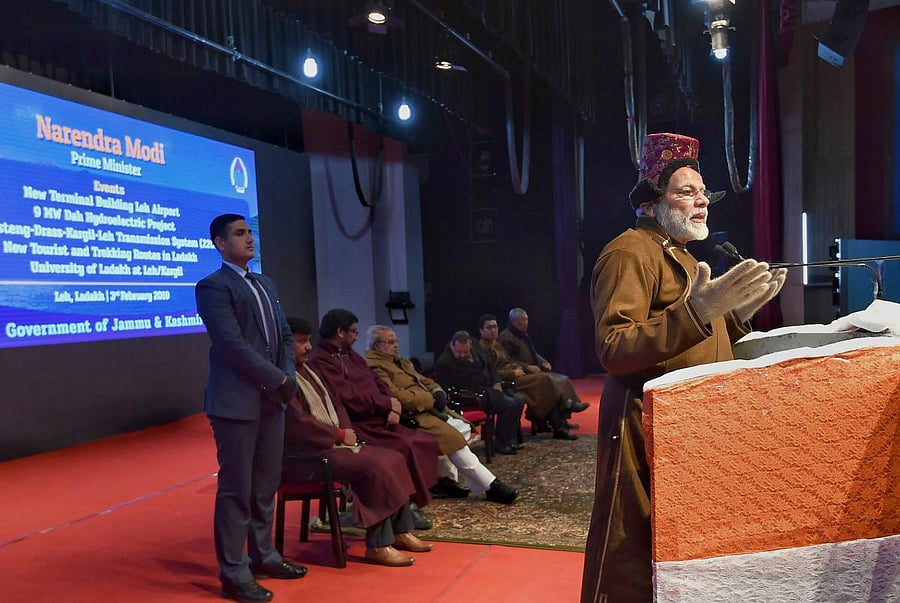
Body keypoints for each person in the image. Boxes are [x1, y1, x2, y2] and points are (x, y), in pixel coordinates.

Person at [580, 133, 786, 603]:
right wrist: (698, 312)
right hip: (641, 425)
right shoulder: (630, 252)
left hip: (687, 429)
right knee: (628, 552)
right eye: (685, 192)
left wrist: (734, 315)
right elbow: (614, 346)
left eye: (703, 193)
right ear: (652, 202)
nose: (701, 202)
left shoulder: (683, 255)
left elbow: (696, 336)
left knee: (674, 548)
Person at [195, 213, 307, 603]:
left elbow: (287, 336)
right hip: (236, 403)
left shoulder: (265, 283)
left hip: (272, 400)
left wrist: (287, 375)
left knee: (264, 485)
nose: (249, 239)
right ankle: (233, 571)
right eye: (239, 234)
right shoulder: (212, 286)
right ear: (220, 244)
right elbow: (231, 346)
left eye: (250, 233)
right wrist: (278, 380)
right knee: (236, 489)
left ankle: (264, 555)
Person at [309, 309, 518, 505]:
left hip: (409, 410)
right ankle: (486, 485)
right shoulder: (370, 362)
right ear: (377, 345)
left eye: (396, 341)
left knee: (454, 435)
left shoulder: (379, 359)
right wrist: (403, 402)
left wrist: (434, 390)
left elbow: (397, 384)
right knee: (448, 439)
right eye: (391, 342)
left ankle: (445, 481)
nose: (396, 345)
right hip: (403, 415)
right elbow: (363, 396)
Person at [283, 317, 434, 567]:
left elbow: (337, 403)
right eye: (300, 342)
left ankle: (400, 531)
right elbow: (297, 423)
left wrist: (346, 429)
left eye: (308, 341)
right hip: (307, 454)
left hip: (333, 443)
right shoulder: (284, 378)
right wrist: (339, 436)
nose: (308, 347)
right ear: (285, 344)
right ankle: (378, 545)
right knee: (375, 466)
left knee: (393, 457)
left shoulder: (309, 368)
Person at [477, 314, 578, 440]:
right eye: (489, 327)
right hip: (505, 382)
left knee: (546, 390)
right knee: (543, 379)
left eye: (495, 326)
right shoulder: (482, 348)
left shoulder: (497, 344)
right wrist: (513, 372)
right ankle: (564, 404)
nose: (493, 330)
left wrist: (516, 368)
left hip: (516, 377)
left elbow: (509, 361)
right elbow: (490, 372)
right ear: (481, 330)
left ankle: (559, 426)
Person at [432, 330, 532, 447]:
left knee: (519, 400)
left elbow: (490, 366)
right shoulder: (445, 363)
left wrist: (496, 382)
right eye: (459, 352)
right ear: (451, 346)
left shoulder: (474, 344)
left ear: (470, 344)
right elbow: (451, 387)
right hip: (472, 395)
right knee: (510, 404)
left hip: (489, 387)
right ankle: (502, 444)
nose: (463, 355)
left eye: (466, 351)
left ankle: (512, 439)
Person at [498, 307, 589, 415]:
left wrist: (543, 361)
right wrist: (526, 367)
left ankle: (567, 410)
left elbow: (533, 352)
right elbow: (508, 360)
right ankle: (565, 404)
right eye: (522, 320)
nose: (526, 323)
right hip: (522, 373)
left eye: (526, 319)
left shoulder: (522, 334)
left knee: (563, 379)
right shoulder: (506, 337)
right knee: (547, 380)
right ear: (514, 322)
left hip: (534, 370)